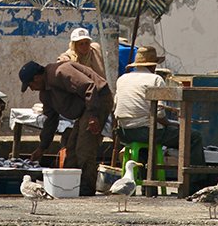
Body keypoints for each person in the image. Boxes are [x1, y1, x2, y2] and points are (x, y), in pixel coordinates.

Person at [114, 46, 205, 190]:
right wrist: (170, 124)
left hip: (124, 132)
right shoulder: (155, 79)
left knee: (148, 138)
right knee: (193, 137)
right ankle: (194, 184)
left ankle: (147, 184)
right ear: (153, 65)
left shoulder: (122, 79)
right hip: (145, 131)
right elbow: (160, 114)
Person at [20, 59, 112, 196]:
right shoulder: (45, 94)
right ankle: (72, 186)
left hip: (97, 99)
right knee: (71, 149)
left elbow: (89, 87)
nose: (32, 89)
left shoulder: (60, 72)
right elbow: (50, 121)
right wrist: (42, 147)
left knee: (84, 146)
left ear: (37, 78)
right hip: (85, 109)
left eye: (31, 85)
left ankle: (87, 188)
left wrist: (93, 116)